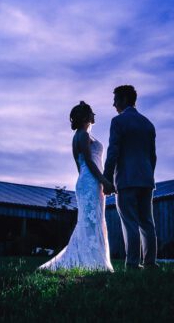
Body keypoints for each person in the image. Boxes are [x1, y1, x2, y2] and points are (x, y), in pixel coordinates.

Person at [38, 101, 114, 271]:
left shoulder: (77, 136)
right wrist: (104, 181)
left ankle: (93, 259)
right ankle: (92, 262)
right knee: (90, 221)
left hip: (85, 180)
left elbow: (80, 166)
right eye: (92, 112)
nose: (95, 114)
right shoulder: (84, 136)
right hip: (91, 180)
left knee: (89, 220)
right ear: (87, 116)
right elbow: (88, 161)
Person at [103, 84, 158, 269]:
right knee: (147, 222)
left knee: (130, 223)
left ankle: (133, 264)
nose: (113, 104)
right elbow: (153, 156)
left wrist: (107, 178)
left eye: (116, 100)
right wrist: (149, 174)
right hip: (146, 179)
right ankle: (150, 263)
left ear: (125, 100)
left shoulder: (118, 122)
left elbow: (113, 152)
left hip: (126, 180)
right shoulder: (148, 124)